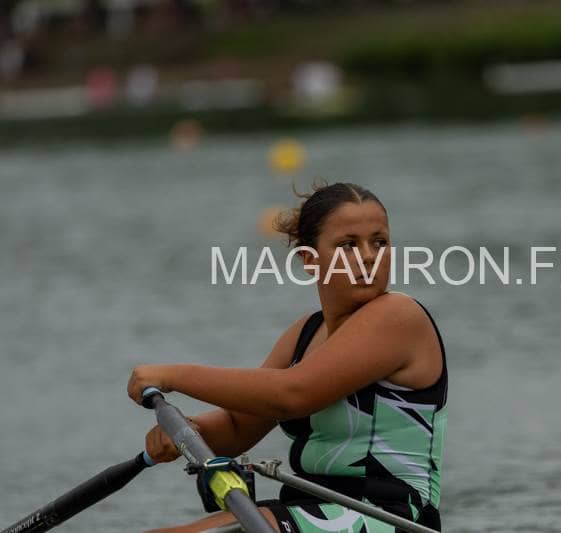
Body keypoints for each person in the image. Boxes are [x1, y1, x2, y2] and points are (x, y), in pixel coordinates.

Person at [127, 182, 448, 532]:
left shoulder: (399, 316)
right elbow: (238, 427)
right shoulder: (305, 333)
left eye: (380, 242)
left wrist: (171, 376)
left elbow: (292, 394)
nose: (369, 256)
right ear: (310, 260)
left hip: (390, 517)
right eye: (348, 245)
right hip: (312, 507)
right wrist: (188, 433)